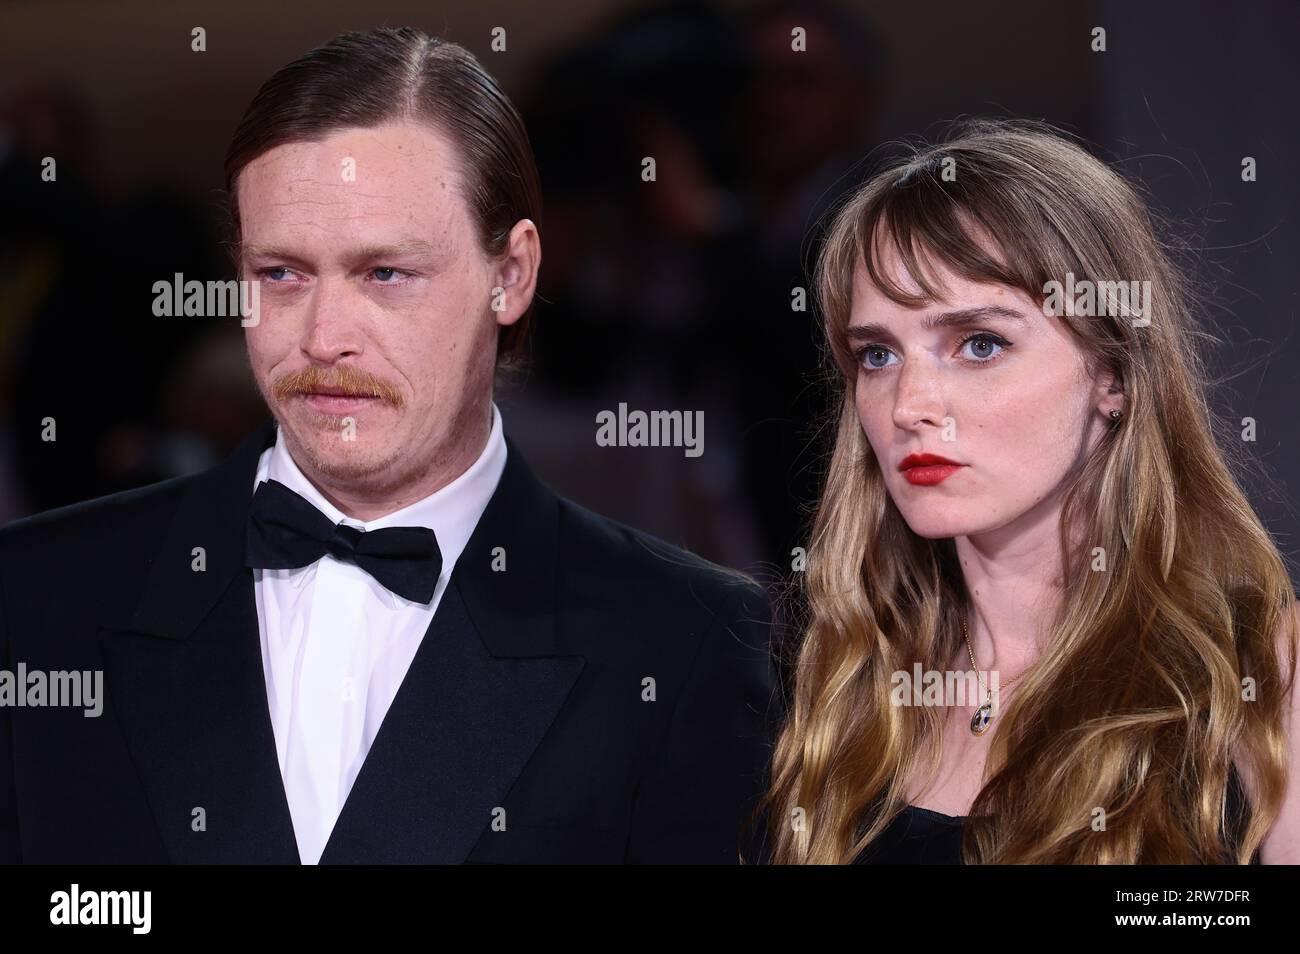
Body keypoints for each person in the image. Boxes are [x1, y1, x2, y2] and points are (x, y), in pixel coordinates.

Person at [0, 27, 778, 865]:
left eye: (385, 274)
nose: (323, 337)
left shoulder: (687, 642)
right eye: (281, 274)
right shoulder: (35, 596)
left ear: (511, 275)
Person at [750, 118, 1299, 864]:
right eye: (878, 354)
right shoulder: (840, 684)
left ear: (1113, 373)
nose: (910, 404)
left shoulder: (1268, 678)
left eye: (980, 344)